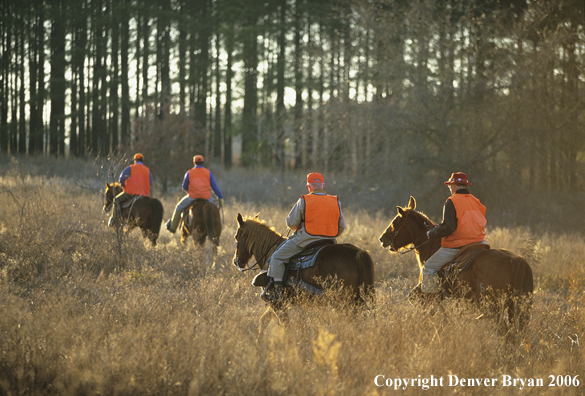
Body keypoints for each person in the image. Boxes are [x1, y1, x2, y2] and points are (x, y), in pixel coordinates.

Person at [263, 172, 346, 304]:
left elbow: (291, 223)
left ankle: (277, 291)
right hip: (330, 242)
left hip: (305, 241)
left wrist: (301, 228)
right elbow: (341, 226)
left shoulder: (303, 200)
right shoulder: (335, 201)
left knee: (277, 257)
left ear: (309, 186)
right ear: (323, 185)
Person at [423, 172, 487, 294]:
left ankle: (430, 302)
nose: (450, 189)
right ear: (465, 185)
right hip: (480, 243)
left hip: (458, 245)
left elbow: (449, 228)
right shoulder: (476, 201)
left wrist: (431, 233)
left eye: (450, 187)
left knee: (429, 267)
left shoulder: (452, 201)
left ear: (453, 186)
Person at [165, 155, 224, 234]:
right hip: (207, 197)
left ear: (194, 162)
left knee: (179, 207)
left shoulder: (189, 173)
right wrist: (220, 197)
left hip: (192, 197)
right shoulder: (208, 173)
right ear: (203, 162)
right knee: (215, 209)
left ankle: (172, 227)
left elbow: (184, 187)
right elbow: (214, 187)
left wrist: (190, 190)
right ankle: (217, 228)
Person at [109, 153, 153, 227]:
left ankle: (115, 220)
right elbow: (151, 181)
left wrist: (123, 185)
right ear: (142, 161)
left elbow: (121, 178)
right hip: (144, 195)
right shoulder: (147, 170)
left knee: (116, 199)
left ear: (135, 160)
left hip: (130, 193)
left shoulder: (130, 168)